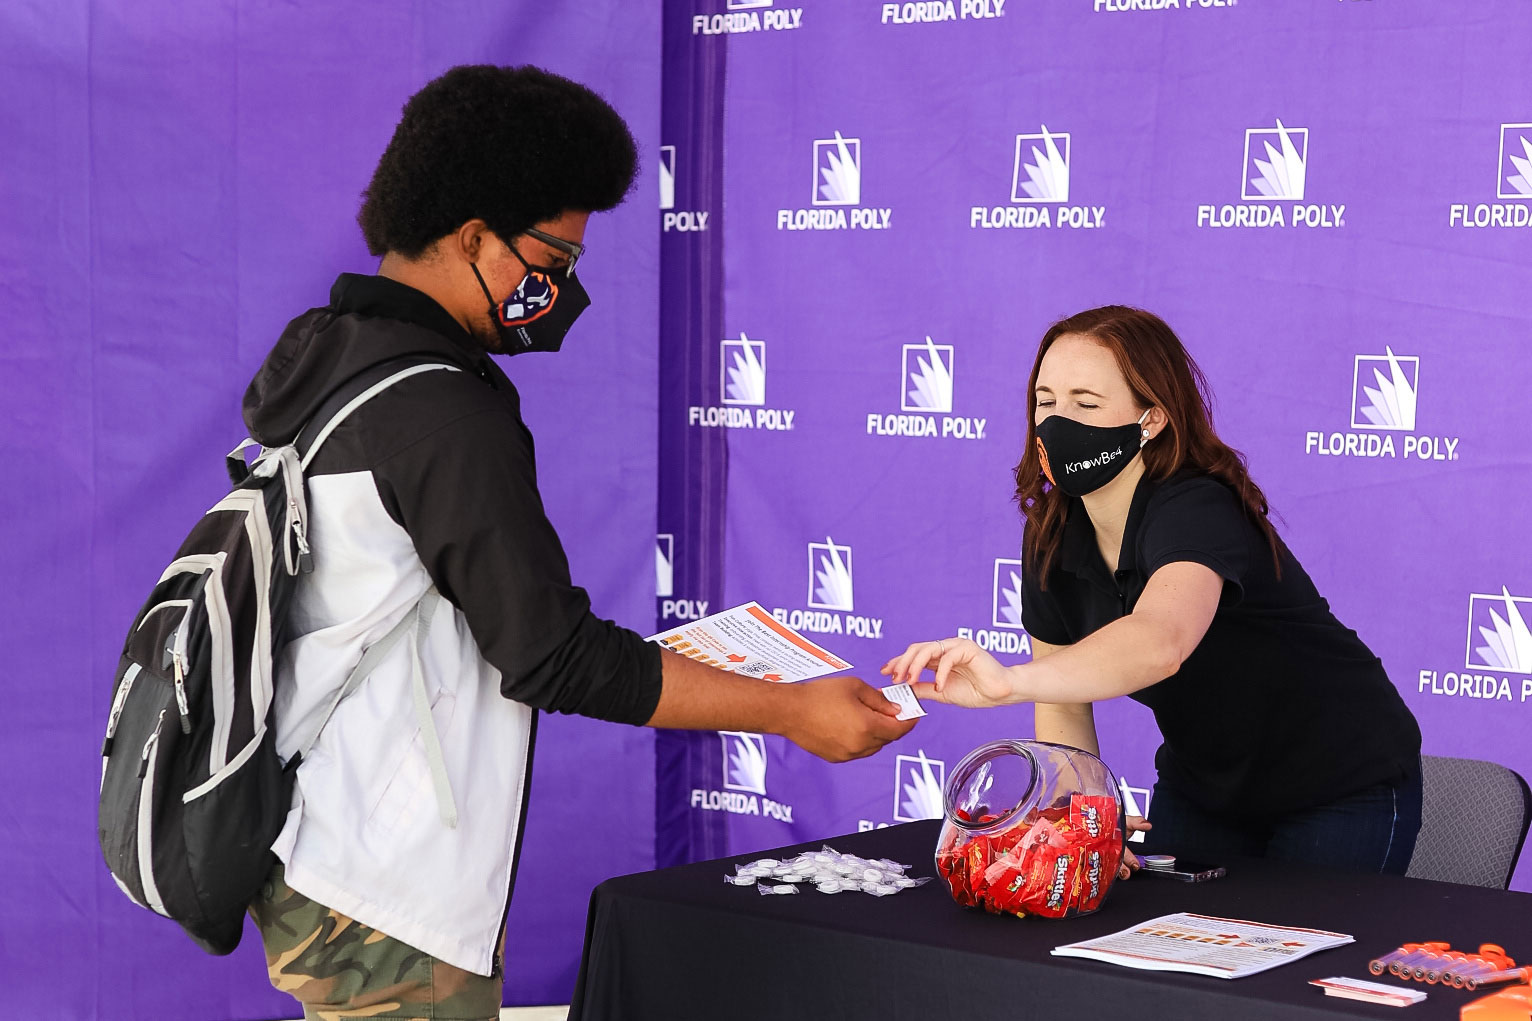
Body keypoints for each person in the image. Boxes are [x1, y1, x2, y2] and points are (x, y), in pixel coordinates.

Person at [242, 65, 914, 1021]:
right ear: (472, 236)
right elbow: (552, 655)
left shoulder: (336, 363)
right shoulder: (436, 407)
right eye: (552, 261)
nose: (561, 289)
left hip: (324, 847)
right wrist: (788, 710)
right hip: (383, 892)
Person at [884, 305, 1421, 880]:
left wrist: (1007, 683)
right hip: (1205, 786)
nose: (1057, 421)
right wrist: (1081, 822)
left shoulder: (1196, 506)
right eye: (1046, 401)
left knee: (1295, 959)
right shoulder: (1051, 530)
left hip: (1337, 779)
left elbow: (1161, 641)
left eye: (1086, 404)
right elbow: (1064, 702)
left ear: (1153, 420)